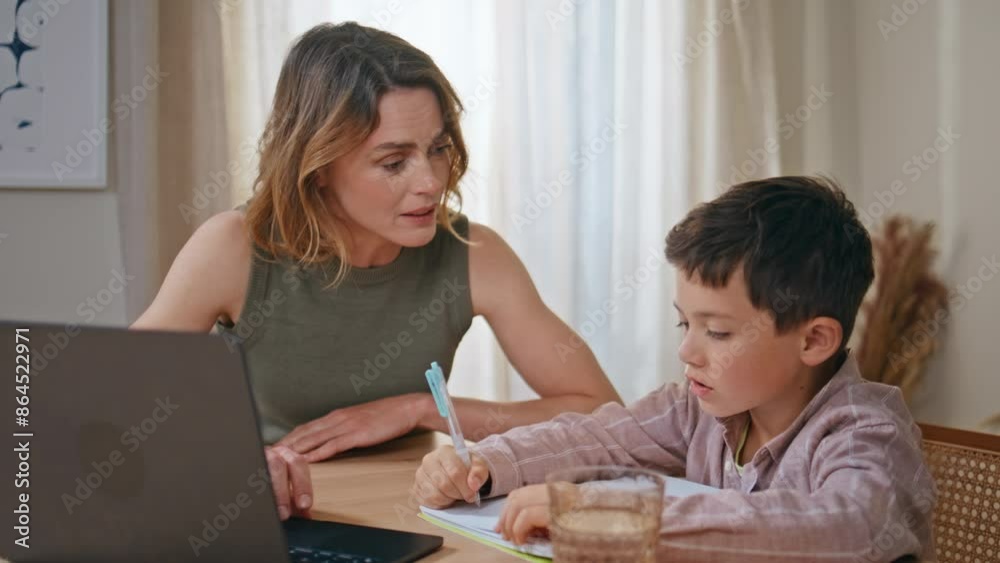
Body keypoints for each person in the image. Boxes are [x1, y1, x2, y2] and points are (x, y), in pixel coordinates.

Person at [131, 22, 620, 521]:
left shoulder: (474, 253)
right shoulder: (234, 247)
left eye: (438, 149)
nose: (430, 182)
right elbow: (113, 402)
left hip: (417, 515)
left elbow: (602, 410)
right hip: (263, 515)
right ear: (318, 166)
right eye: (393, 162)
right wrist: (231, 461)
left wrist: (421, 409)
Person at [413, 176, 936, 562]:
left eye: (718, 332)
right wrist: (484, 463)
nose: (687, 350)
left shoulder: (866, 432)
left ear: (814, 340)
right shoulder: (696, 407)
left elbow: (849, 527)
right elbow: (594, 439)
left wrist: (628, 522)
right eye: (684, 323)